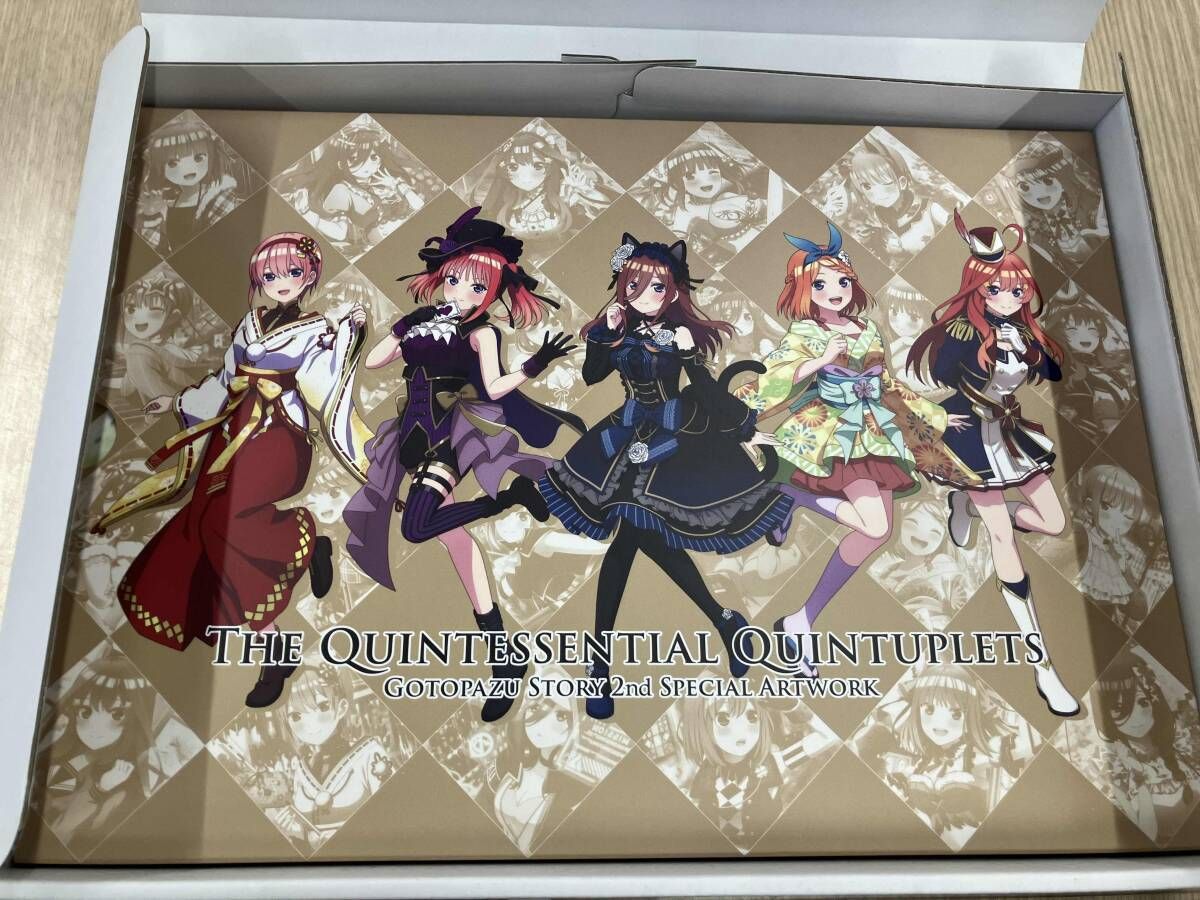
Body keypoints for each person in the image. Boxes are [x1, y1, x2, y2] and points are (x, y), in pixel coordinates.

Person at [93, 232, 370, 709]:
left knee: (223, 521)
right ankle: (277, 642)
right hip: (230, 430)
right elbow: (225, 381)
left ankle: (300, 554)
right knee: (202, 525)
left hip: (278, 433)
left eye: (293, 272)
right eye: (270, 274)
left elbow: (323, 384)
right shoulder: (250, 323)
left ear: (309, 275)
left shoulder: (316, 329)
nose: (281, 281)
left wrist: (347, 337)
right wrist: (177, 400)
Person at [342, 206, 584, 721]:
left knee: (416, 528)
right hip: (410, 433)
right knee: (455, 541)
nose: (464, 293)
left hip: (451, 434)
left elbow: (493, 386)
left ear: (494, 293)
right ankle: (505, 658)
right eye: (455, 280)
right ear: (442, 276)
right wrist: (400, 326)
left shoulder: (483, 333)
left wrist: (534, 366)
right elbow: (377, 361)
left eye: (479, 287)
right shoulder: (422, 320)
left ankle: (511, 497)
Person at [537, 233, 792, 718]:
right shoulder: (620, 328)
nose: (645, 295)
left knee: (629, 542)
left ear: (673, 290)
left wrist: (743, 425)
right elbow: (592, 376)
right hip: (626, 434)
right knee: (641, 541)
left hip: (674, 437)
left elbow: (704, 390)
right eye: (634, 285)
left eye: (657, 287)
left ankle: (601, 667)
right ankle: (723, 622)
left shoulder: (680, 336)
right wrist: (607, 333)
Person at [907, 211, 1078, 717]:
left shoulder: (1023, 329)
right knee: (1003, 538)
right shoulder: (963, 331)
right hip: (971, 438)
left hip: (1010, 433)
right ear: (978, 290)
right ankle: (1042, 667)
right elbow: (944, 371)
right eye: (997, 291)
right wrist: (984, 347)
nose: (1009, 299)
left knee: (1054, 522)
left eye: (1017, 290)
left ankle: (966, 505)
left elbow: (1055, 371)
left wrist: (1026, 343)